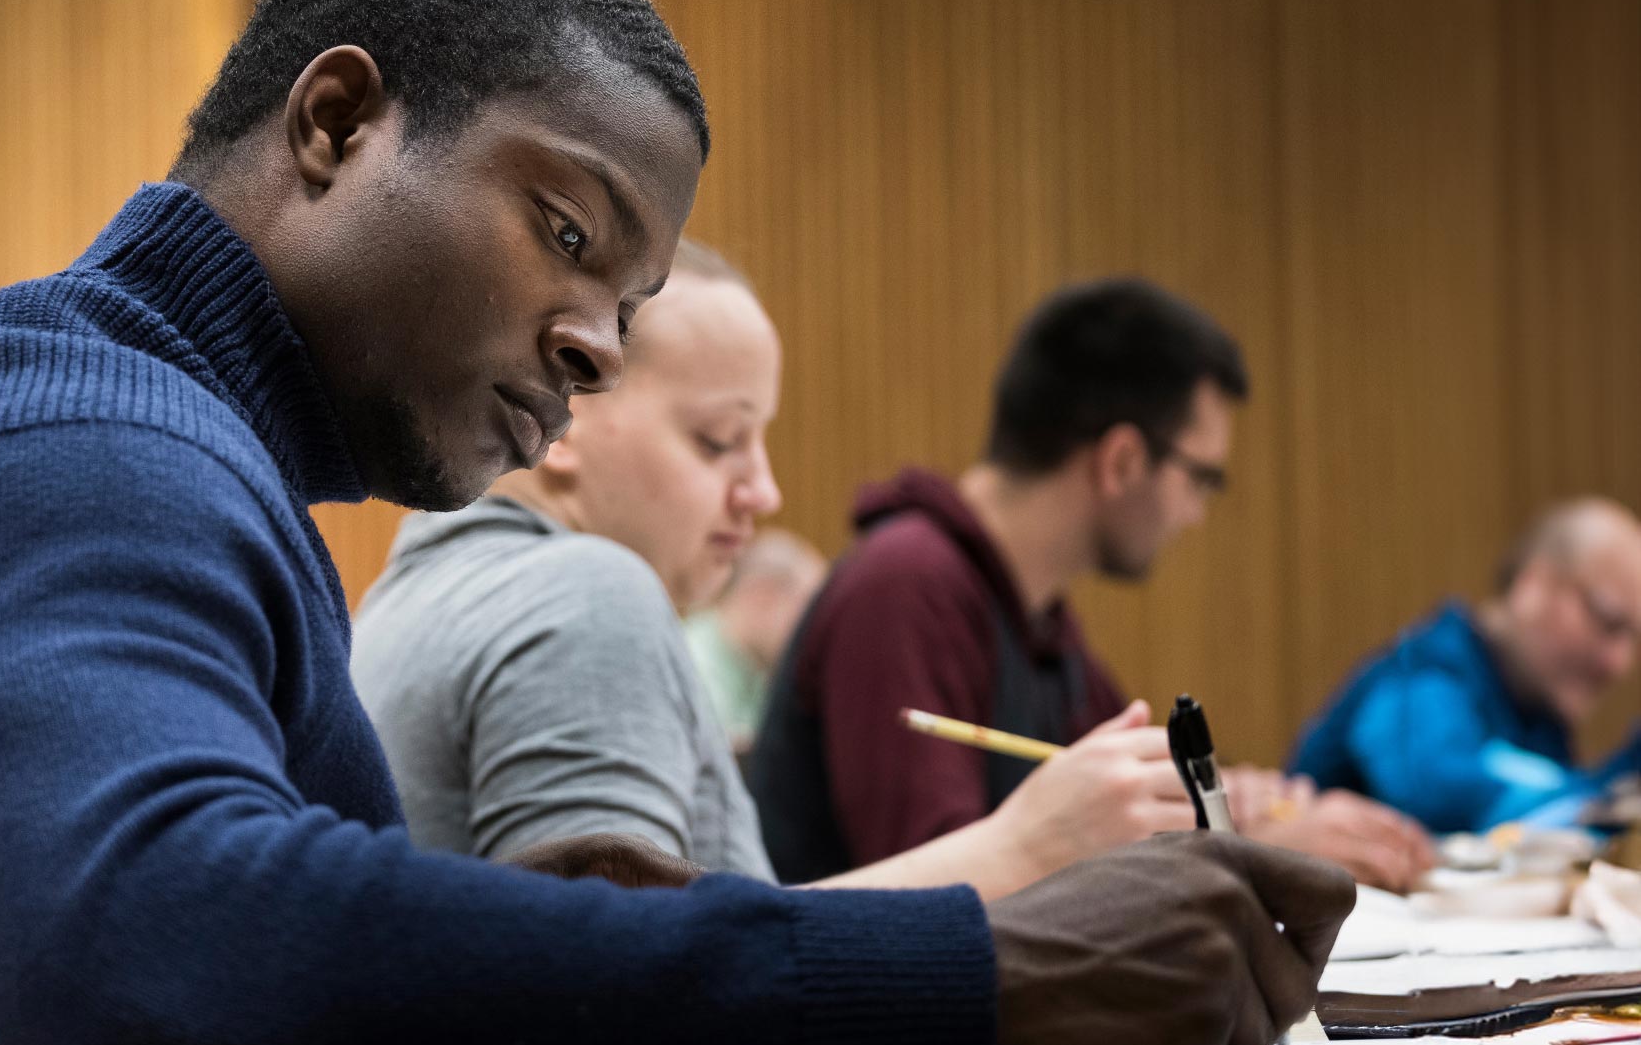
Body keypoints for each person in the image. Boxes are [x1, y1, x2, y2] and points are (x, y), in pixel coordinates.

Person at [0, 0, 1354, 1045]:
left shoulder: (141, 438)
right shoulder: (66, 445)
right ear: (335, 126)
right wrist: (973, 972)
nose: (600, 347)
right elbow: (160, 966)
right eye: (568, 231)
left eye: (627, 302)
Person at [356, 241, 1218, 901]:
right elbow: (623, 996)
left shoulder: (405, 600)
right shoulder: (582, 597)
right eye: (718, 441)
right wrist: (1023, 848)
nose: (763, 491)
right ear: (565, 419)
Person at [747, 278, 1434, 894]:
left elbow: (1134, 810)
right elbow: (938, 900)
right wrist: (1241, 849)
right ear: (1123, 460)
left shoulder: (1036, 612)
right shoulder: (903, 587)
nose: (1197, 515)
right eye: (1202, 479)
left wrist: (1235, 806)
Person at [1290, 499, 1641, 833]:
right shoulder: (1424, 674)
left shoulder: (1538, 714)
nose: (1619, 663)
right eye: (1608, 623)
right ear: (1533, 585)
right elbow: (1446, 801)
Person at [687, 530, 825, 755]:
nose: (812, 633)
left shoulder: (759, 671)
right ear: (763, 597)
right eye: (807, 613)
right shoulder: (690, 663)